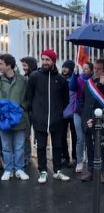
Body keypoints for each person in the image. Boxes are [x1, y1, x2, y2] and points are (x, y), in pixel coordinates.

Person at [26, 49, 70, 183]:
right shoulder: (34, 76)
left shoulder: (61, 79)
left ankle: (57, 171)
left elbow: (65, 99)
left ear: (53, 61)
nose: (44, 62)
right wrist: (34, 113)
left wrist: (58, 111)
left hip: (56, 119)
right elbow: (29, 96)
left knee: (57, 146)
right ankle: (43, 171)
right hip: (40, 118)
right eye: (43, 59)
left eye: (48, 60)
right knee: (41, 147)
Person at [81, 59, 104, 182]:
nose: (96, 71)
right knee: (89, 146)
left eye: (99, 69)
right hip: (89, 119)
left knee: (103, 146)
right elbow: (83, 100)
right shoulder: (89, 83)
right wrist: (84, 115)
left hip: (103, 120)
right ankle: (90, 169)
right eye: (95, 68)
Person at [0, 53, 29, 180]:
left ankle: (19, 169)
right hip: (3, 118)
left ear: (9, 65)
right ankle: (8, 170)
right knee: (6, 146)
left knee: (19, 146)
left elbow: (28, 97)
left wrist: (22, 108)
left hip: (19, 118)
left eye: (1, 63)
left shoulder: (23, 80)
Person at [69, 62, 93, 173]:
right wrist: (74, 74)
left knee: (91, 139)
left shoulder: (93, 81)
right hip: (78, 113)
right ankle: (79, 161)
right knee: (80, 138)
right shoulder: (79, 79)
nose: (84, 70)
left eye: (86, 68)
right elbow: (72, 87)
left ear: (91, 70)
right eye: (83, 68)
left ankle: (91, 161)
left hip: (90, 113)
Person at [20, 56, 38, 166]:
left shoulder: (35, 77)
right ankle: (26, 156)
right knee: (25, 135)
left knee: (32, 136)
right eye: (23, 66)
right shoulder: (24, 77)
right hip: (27, 110)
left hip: (34, 110)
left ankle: (27, 157)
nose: (23, 68)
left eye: (25, 65)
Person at [61, 60, 77, 168]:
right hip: (62, 112)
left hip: (74, 112)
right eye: (63, 67)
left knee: (75, 137)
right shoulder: (60, 79)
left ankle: (75, 158)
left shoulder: (75, 79)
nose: (64, 69)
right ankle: (65, 157)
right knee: (62, 136)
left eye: (66, 67)